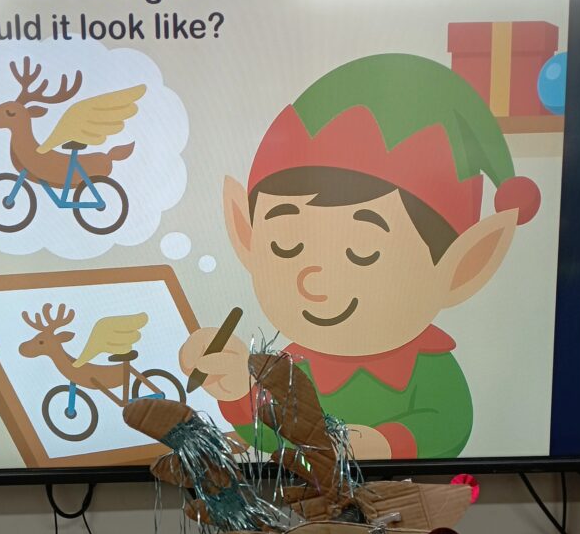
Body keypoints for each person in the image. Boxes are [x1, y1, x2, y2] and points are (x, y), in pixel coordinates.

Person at [180, 54, 540, 459]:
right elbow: (278, 442)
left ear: (465, 265)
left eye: (363, 251)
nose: (313, 279)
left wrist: (387, 444)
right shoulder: (290, 368)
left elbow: (449, 422)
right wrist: (238, 393)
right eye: (285, 244)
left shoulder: (428, 366)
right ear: (245, 234)